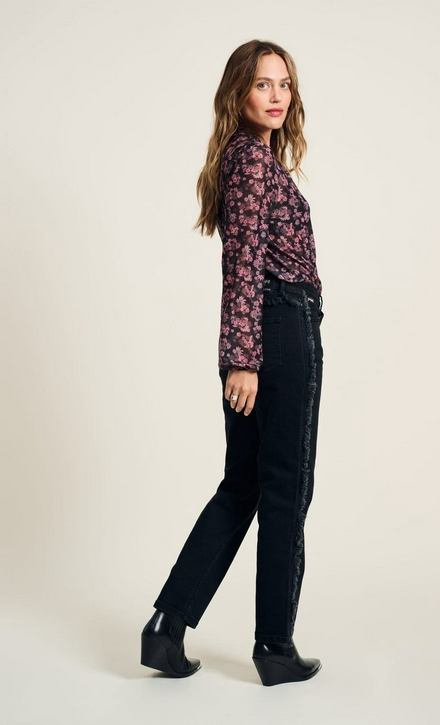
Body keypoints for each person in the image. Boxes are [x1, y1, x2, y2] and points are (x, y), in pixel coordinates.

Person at [140, 39, 325, 687]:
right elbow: (242, 261)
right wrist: (244, 359)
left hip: (261, 331)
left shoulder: (250, 159)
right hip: (279, 330)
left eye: (284, 84)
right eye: (262, 84)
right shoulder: (249, 161)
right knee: (284, 487)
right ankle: (274, 645)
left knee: (243, 484)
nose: (276, 96)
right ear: (238, 92)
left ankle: (166, 627)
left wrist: (241, 353)